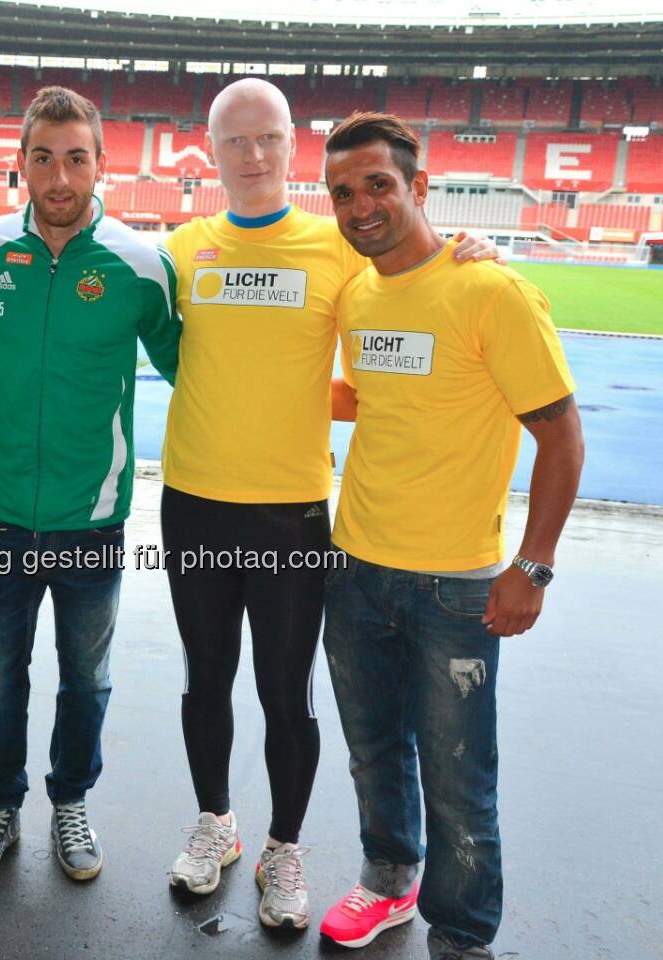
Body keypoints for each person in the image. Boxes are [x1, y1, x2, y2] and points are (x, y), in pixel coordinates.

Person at [160, 78, 498, 931]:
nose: (252, 153)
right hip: (194, 501)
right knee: (206, 680)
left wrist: (473, 247)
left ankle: (283, 848)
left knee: (286, 691)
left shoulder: (338, 247)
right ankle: (216, 825)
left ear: (290, 146)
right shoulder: (179, 248)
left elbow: (407, 294)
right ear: (209, 147)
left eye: (268, 136)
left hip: (292, 512)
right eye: (233, 139)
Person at [317, 112, 584, 960]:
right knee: (373, 754)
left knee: (461, 779)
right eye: (343, 192)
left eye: (378, 185)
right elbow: (372, 399)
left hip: (457, 587)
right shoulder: (359, 294)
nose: (360, 205)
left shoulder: (489, 289)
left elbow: (562, 434)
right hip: (355, 567)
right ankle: (390, 884)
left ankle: (462, 936)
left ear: (419, 186)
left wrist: (531, 568)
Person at [0, 86, 181, 887]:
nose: (58, 176)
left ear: (101, 164)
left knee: (86, 680)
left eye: (75, 158)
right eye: (42, 158)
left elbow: (199, 368)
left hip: (92, 523)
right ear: (20, 165)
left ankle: (70, 800)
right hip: (0, 518)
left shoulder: (142, 265)